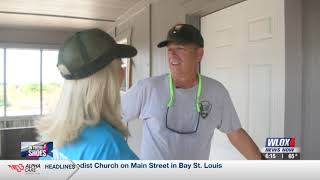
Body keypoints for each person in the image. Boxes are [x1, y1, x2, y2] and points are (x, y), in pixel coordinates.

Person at [122, 24, 263, 160]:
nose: (172, 54)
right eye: (169, 49)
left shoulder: (216, 92)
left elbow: (236, 133)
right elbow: (112, 118)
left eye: (179, 48)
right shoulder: (148, 88)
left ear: (199, 54)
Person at [36, 28, 139, 160]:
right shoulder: (109, 146)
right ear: (107, 79)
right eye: (120, 65)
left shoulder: (51, 130)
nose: (123, 73)